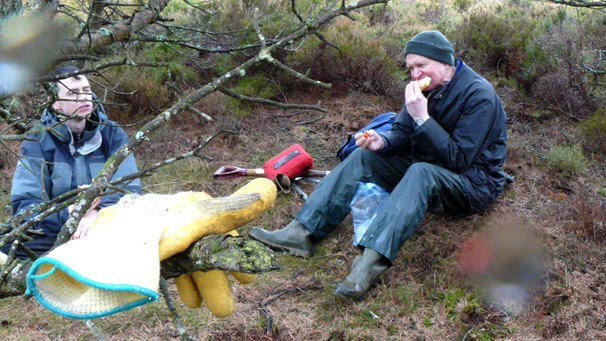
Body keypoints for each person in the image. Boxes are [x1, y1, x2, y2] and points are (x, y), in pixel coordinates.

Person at [249, 30, 508, 300]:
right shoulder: (424, 90)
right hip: (428, 163)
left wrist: (423, 118)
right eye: (411, 68)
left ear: (446, 62)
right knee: (363, 156)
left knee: (421, 172)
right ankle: (301, 232)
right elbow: (402, 134)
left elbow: (458, 159)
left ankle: (367, 266)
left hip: (472, 182)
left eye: (422, 66)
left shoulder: (479, 95)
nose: (416, 74)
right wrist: (381, 142)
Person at [0, 65, 141, 258]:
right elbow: (25, 206)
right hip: (57, 231)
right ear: (55, 103)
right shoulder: (36, 141)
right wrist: (70, 213)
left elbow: (130, 188)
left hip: (106, 223)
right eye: (73, 93)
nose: (83, 97)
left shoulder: (112, 133)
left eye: (86, 91)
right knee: (7, 243)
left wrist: (97, 213)